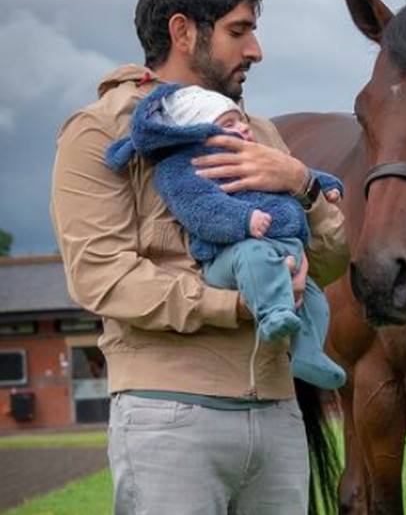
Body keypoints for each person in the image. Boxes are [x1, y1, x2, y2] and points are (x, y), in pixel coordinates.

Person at [50, 0, 349, 515]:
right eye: (240, 31)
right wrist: (236, 306)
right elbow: (106, 277)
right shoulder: (100, 134)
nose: (256, 50)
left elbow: (329, 260)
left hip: (277, 424)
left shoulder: (264, 136)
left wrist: (303, 183)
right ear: (184, 33)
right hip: (170, 423)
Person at [105, 82, 347, 391]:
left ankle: (310, 354)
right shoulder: (183, 167)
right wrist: (244, 220)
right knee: (254, 258)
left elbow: (300, 173)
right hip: (232, 253)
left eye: (241, 121)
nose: (243, 128)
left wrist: (322, 184)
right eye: (228, 124)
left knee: (315, 298)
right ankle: (274, 315)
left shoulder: (256, 153)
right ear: (198, 131)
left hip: (282, 248)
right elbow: (202, 210)